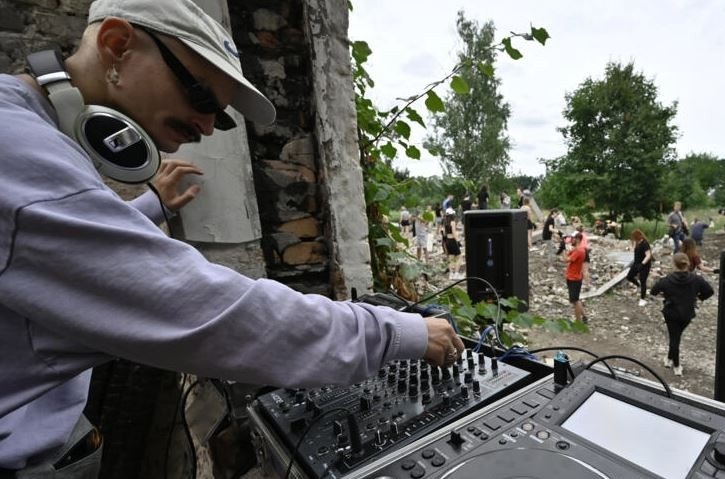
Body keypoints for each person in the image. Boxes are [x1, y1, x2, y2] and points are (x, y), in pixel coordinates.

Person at [0, 0, 463, 473]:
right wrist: (398, 331)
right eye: (201, 98)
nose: (204, 128)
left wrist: (148, 207)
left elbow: (57, 245)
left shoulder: (27, 137)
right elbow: (205, 309)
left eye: (219, 118)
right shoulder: (14, 146)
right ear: (117, 46)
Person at [650, 253, 714, 377]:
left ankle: (677, 365)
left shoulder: (667, 279)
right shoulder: (696, 279)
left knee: (674, 338)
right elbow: (710, 291)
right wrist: (698, 297)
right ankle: (669, 359)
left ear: (673, 264)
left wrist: (665, 294)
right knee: (676, 336)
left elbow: (653, 291)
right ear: (687, 263)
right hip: (687, 314)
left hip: (671, 313)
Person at [563, 232, 588, 323]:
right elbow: (567, 256)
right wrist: (566, 249)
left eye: (573, 238)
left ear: (577, 239)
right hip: (573, 277)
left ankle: (578, 321)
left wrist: (563, 250)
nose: (571, 240)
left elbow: (566, 260)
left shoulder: (579, 251)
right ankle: (584, 316)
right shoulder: (577, 249)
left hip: (574, 278)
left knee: (575, 300)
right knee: (575, 300)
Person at [626, 229, 653, 307]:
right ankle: (638, 286)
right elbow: (634, 250)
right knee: (629, 276)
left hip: (644, 265)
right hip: (636, 263)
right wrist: (629, 247)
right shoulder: (637, 243)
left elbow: (648, 255)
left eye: (633, 237)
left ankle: (642, 299)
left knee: (643, 280)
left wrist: (642, 264)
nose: (632, 239)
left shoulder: (645, 243)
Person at [443, 208, 463, 279]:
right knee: (459, 257)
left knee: (450, 258)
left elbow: (444, 233)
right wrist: (458, 241)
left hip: (447, 241)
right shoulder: (453, 222)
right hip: (452, 241)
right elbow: (454, 232)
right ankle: (456, 273)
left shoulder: (445, 223)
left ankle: (451, 274)